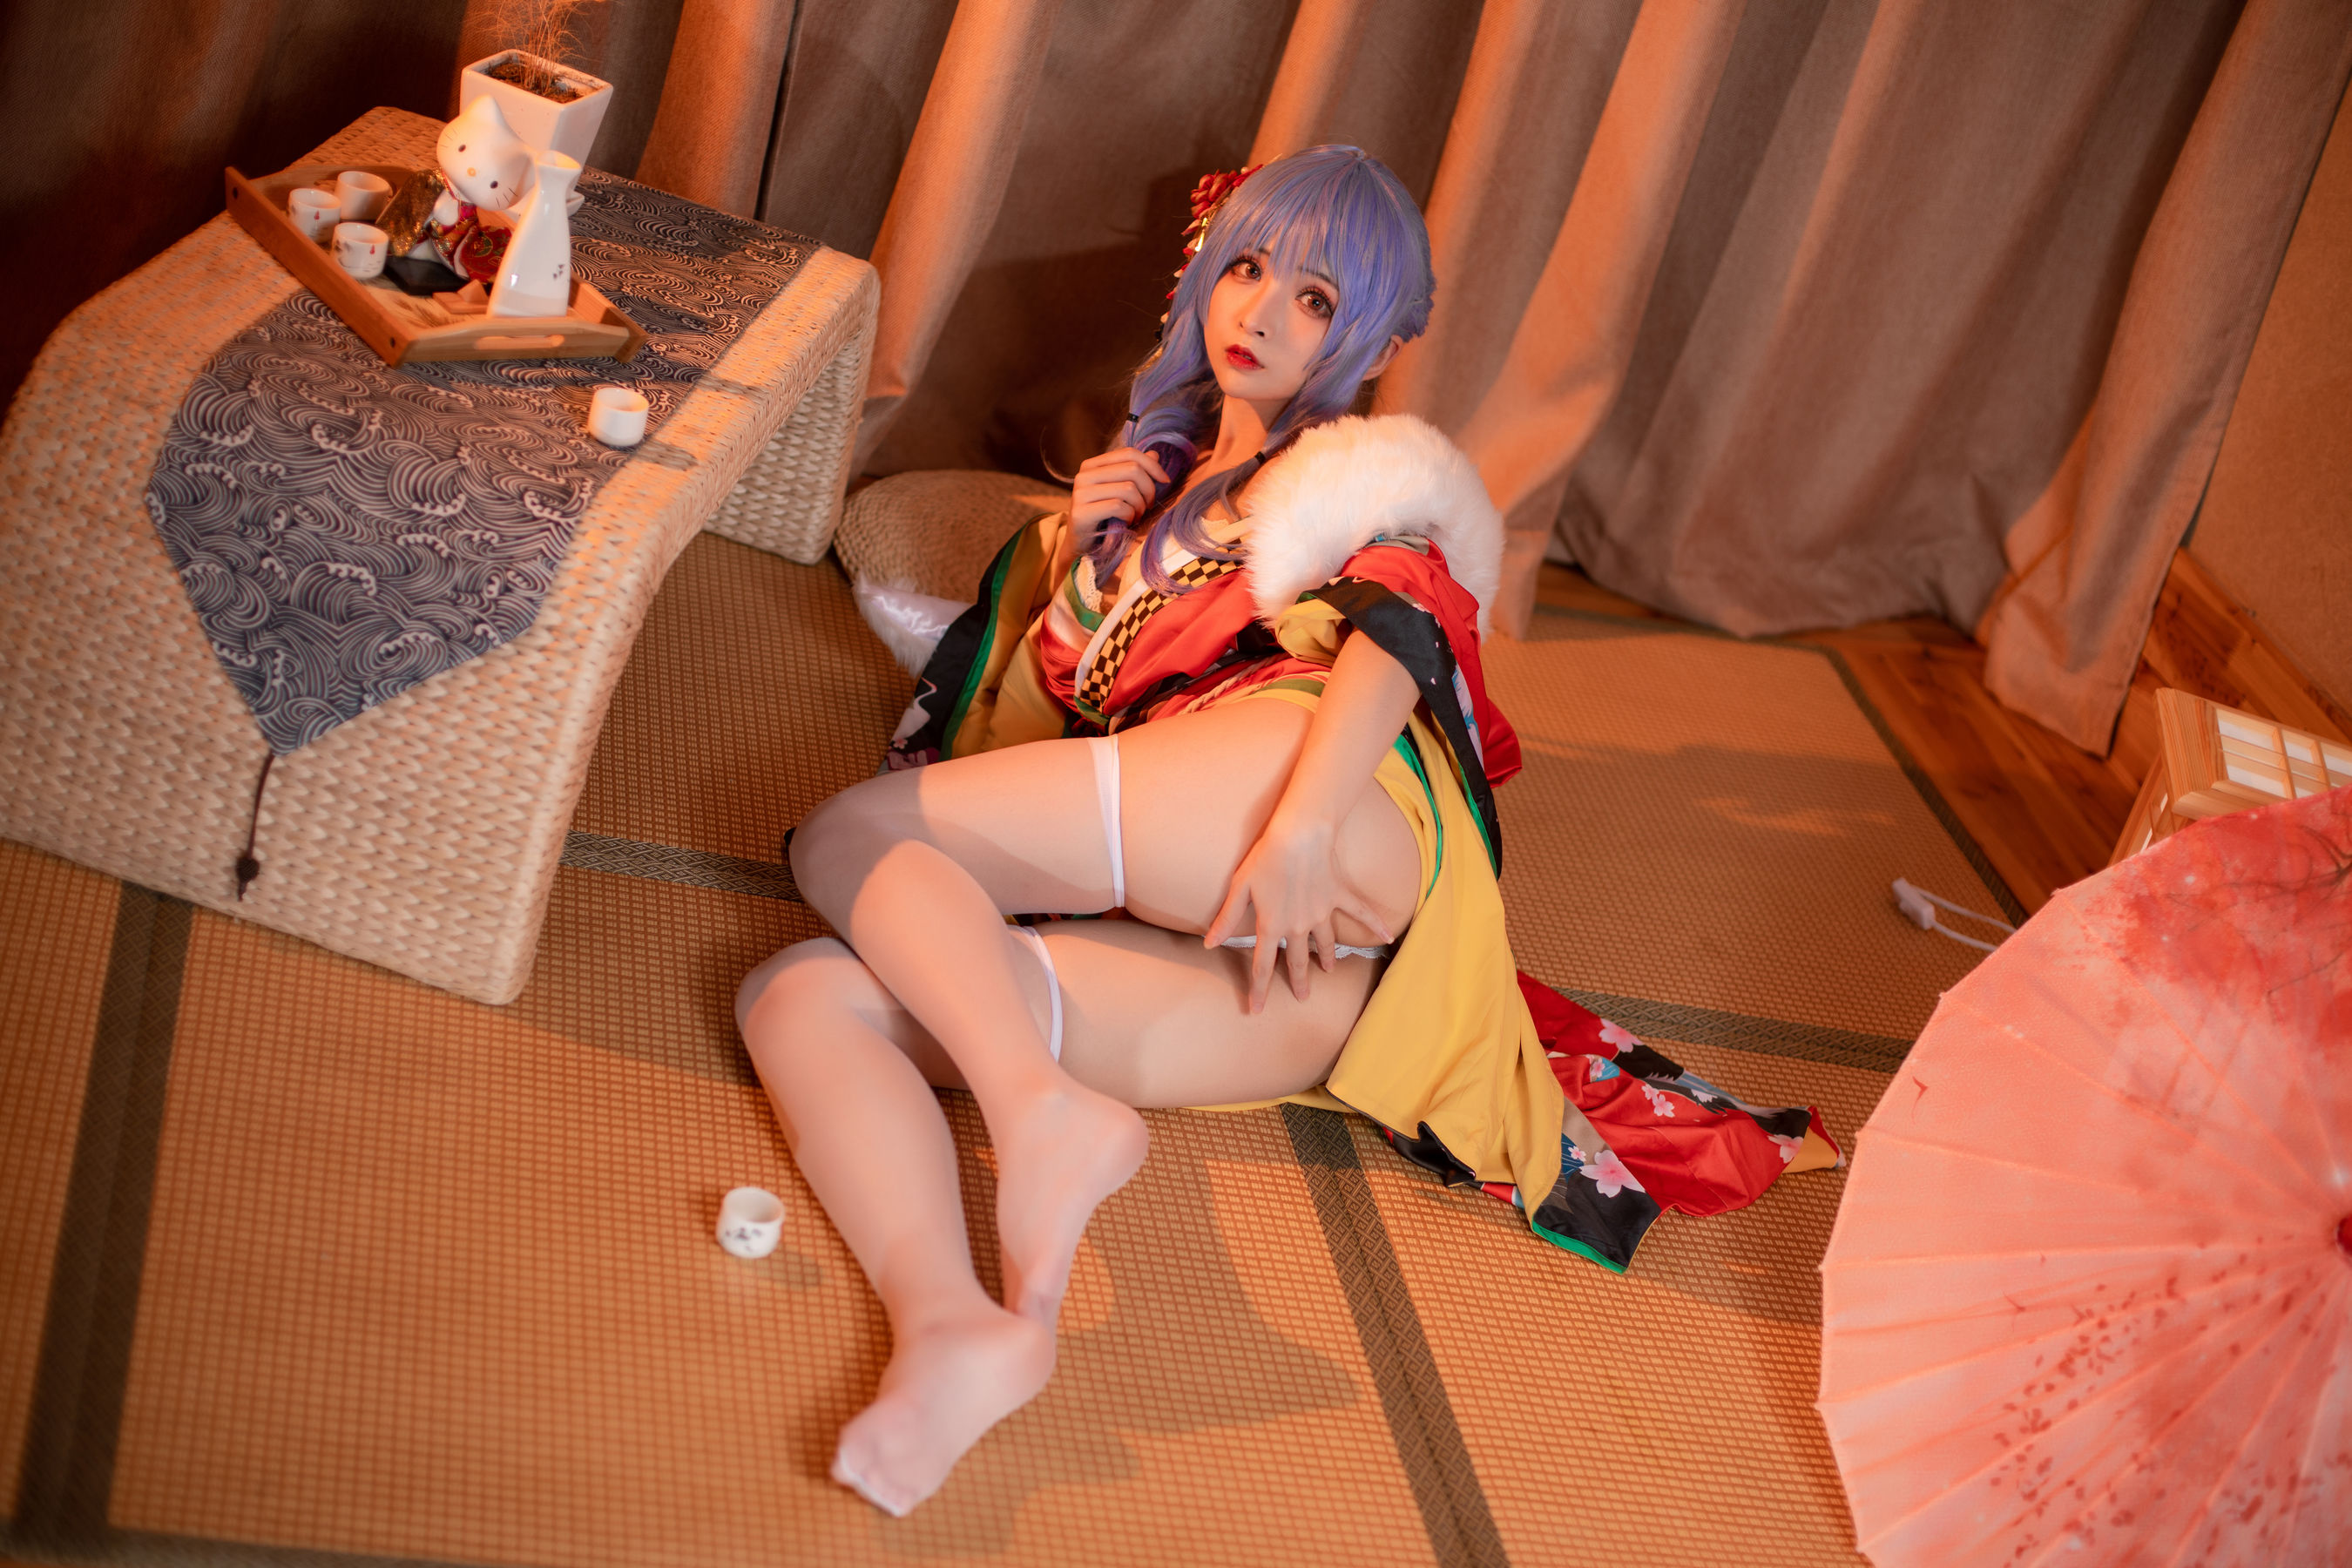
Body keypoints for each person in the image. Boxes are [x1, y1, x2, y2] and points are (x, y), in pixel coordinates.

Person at [736, 145, 1833, 1517]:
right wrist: (1074, 551)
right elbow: (1043, 730)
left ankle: (1034, 1114)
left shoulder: (1356, 472)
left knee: (847, 839)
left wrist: (1306, 826)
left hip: (1314, 805)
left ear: (1368, 338)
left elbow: (1404, 617)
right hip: (1300, 990)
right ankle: (956, 1323)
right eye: (1247, 268)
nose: (1261, 310)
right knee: (805, 992)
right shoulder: (1150, 490)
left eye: (1315, 297)